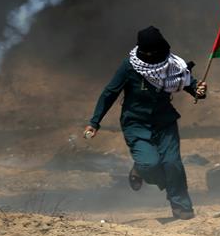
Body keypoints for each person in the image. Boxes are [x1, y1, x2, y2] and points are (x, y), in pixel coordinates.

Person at [84, 26, 206, 220]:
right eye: (150, 53)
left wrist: (198, 90)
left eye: (157, 52)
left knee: (173, 164)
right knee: (150, 165)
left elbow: (186, 82)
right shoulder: (130, 67)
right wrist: (95, 122)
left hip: (165, 122)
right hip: (136, 123)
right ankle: (141, 169)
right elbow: (110, 93)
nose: (154, 56)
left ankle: (182, 207)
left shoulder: (172, 64)